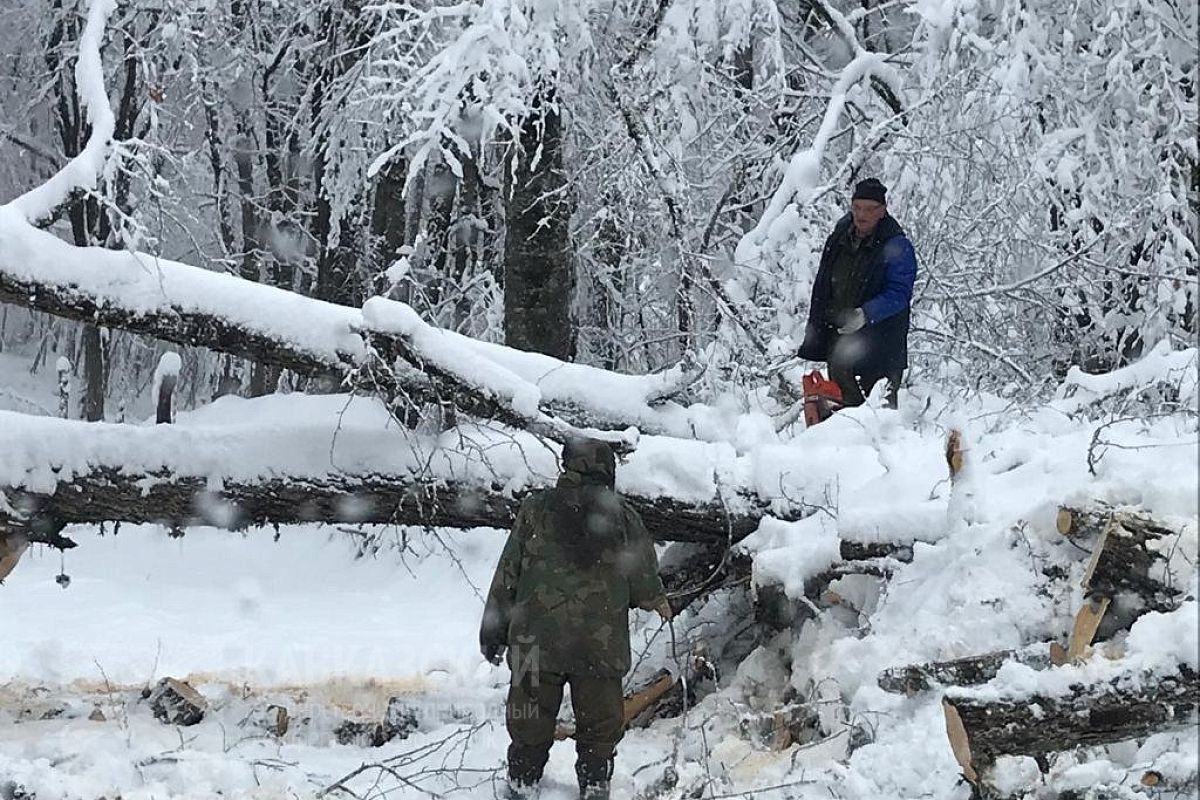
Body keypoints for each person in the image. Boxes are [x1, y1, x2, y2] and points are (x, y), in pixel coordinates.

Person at [480, 437, 671, 800]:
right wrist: (657, 601)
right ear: (606, 471)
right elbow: (644, 579)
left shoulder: (536, 509)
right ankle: (595, 785)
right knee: (600, 730)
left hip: (537, 642)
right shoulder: (623, 516)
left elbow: (508, 574)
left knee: (529, 725)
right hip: (597, 645)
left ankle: (522, 783)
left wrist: (494, 629)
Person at [798, 177, 918, 408]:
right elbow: (824, 285)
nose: (861, 215)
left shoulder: (897, 246)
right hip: (841, 349)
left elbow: (899, 294)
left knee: (877, 422)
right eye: (857, 208)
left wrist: (865, 314)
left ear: (882, 211)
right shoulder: (840, 238)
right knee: (839, 420)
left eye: (870, 209)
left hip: (881, 351)